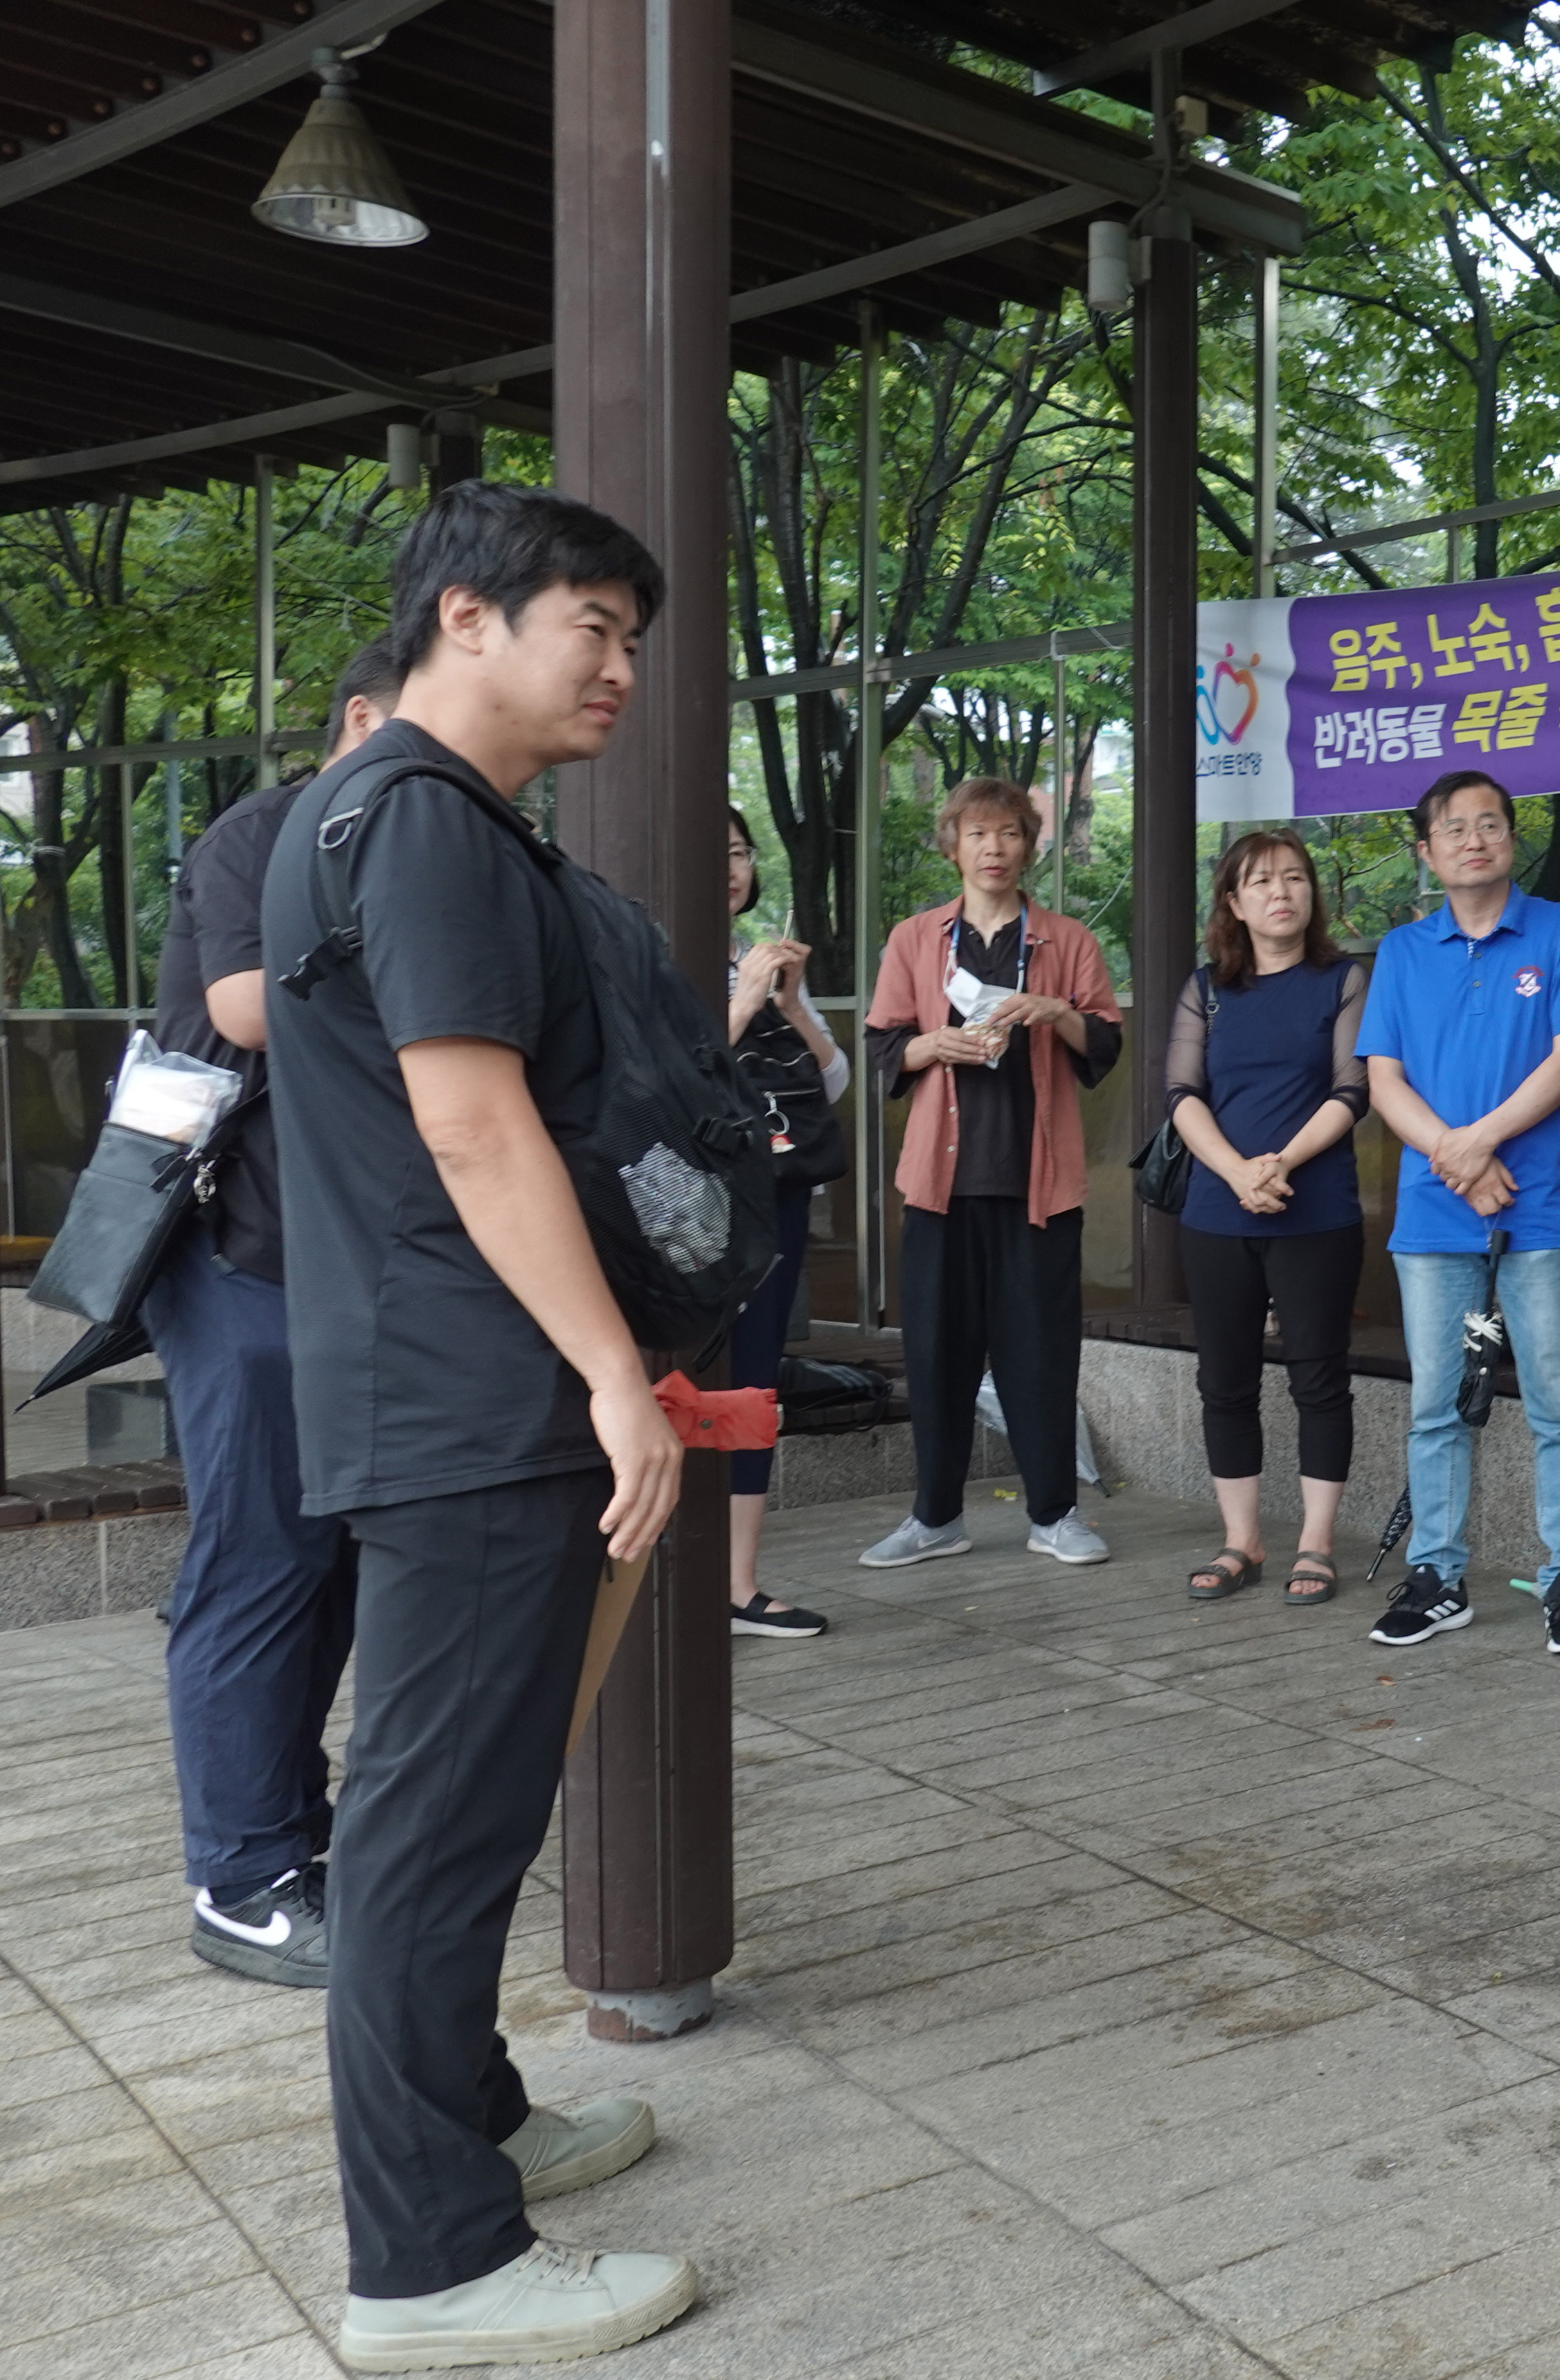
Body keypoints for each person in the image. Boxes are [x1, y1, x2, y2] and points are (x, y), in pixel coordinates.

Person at [259, 480, 694, 2364]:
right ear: (464, 615)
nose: (620, 668)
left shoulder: (360, 810)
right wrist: (610, 1371)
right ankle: (432, 2263)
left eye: (631, 638)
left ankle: (481, 2118)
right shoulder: (427, 817)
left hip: (432, 1381)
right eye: (592, 624)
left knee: (467, 1803)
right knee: (434, 1828)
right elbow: (469, 1118)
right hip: (471, 1393)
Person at [147, 639, 401, 1991]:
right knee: (256, 1565)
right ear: (362, 717)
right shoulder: (268, 833)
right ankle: (240, 1879)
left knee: (327, 1561)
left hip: (340, 1268)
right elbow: (245, 1007)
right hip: (236, 1255)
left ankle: (291, 1840)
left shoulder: (407, 841)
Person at [1354, 770, 1560, 1650]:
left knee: (1557, 1401)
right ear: (1427, 851)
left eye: (1490, 824)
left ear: (1511, 837)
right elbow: (1384, 1080)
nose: (1474, 839)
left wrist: (1478, 1144)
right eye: (1454, 828)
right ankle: (1436, 1573)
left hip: (1539, 1207)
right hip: (1435, 1216)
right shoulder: (1402, 952)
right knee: (1437, 1404)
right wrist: (1458, 1159)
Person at [856, 779, 1123, 1571]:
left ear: (1029, 846)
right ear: (954, 846)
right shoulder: (916, 939)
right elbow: (882, 1044)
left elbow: (1104, 1044)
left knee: (1040, 1354)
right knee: (937, 1353)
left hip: (1039, 1184)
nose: (994, 848)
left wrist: (1054, 1012)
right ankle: (935, 1517)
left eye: (1009, 833)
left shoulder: (1066, 940)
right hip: (938, 1188)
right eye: (978, 834)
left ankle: (1055, 1514)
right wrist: (932, 1045)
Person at [1169, 829, 1369, 1608]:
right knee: (1225, 1382)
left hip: (1316, 1209)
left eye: (1294, 878)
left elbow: (1353, 1090)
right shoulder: (1207, 990)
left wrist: (1281, 1163)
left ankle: (1316, 1543)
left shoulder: (1343, 980)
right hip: (1217, 1211)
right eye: (1260, 881)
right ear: (1234, 901)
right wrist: (1235, 1171)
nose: (1280, 892)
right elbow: (1182, 1094)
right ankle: (1241, 1540)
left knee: (1320, 1378)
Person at [721, 806, 844, 1638]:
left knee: (755, 1382)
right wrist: (740, 1001)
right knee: (686, 1379)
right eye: (715, 852)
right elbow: (664, 1079)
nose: (731, 867)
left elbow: (833, 1083)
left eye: (738, 852)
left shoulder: (758, 958)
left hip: (775, 1196)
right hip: (688, 1206)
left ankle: (738, 1583)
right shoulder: (650, 957)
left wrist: (791, 1005)